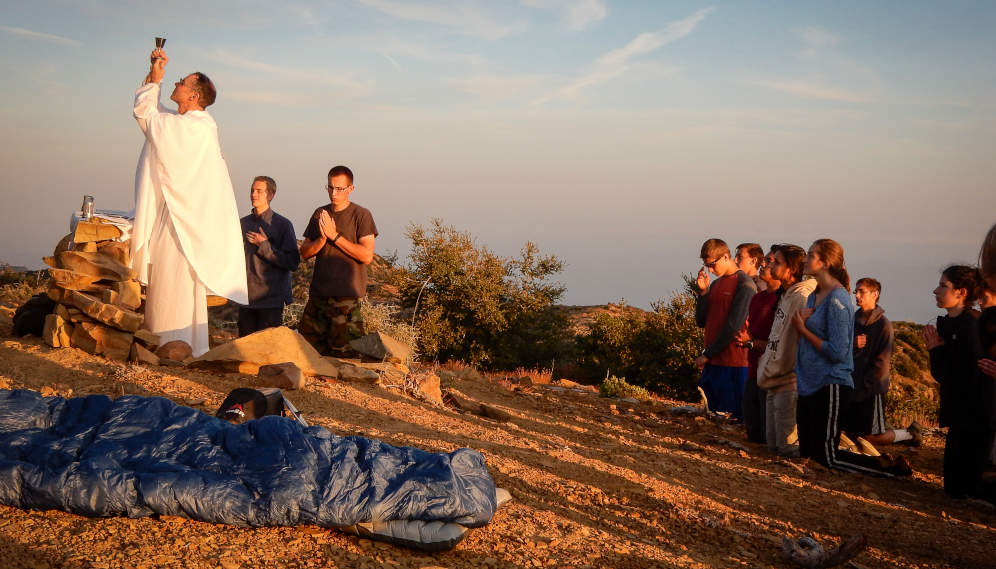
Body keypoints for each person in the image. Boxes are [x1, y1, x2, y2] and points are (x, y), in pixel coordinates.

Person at [130, 48, 248, 356]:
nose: (177, 83)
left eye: (182, 81)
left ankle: (171, 347)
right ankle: (179, 346)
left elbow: (146, 115)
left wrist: (156, 80)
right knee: (171, 284)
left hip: (182, 224)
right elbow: (155, 118)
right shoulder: (189, 125)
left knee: (173, 284)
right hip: (179, 217)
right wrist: (154, 76)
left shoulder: (196, 128)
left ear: (194, 95)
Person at [792, 239, 911, 476]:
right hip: (808, 384)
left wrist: (803, 328)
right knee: (807, 453)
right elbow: (803, 342)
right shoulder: (813, 295)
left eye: (811, 255)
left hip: (830, 384)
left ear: (825, 262)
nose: (805, 259)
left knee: (826, 456)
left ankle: (887, 469)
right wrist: (800, 327)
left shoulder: (838, 300)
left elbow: (837, 353)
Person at [922, 265, 994, 502]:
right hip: (962, 418)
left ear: (961, 292)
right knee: (952, 488)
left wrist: (935, 350)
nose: (936, 290)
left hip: (975, 419)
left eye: (944, 286)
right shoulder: (955, 324)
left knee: (967, 487)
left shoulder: (968, 327)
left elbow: (961, 380)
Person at [298, 166, 378, 357]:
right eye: (330, 187)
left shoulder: (361, 214)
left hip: (346, 296)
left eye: (339, 188)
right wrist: (322, 239)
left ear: (351, 188)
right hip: (318, 294)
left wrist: (334, 237)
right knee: (308, 351)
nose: (334, 193)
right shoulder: (320, 213)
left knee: (347, 355)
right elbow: (305, 252)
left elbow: (366, 255)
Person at [843, 278, 923, 448]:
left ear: (875, 294)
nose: (857, 295)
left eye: (861, 291)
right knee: (850, 434)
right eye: (856, 291)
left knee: (868, 439)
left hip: (870, 391)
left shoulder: (883, 325)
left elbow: (881, 364)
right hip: (850, 385)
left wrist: (863, 388)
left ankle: (908, 434)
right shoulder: (852, 320)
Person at [757, 244, 815, 457]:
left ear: (791, 269)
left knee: (788, 448)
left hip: (788, 379)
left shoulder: (801, 296)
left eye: (777, 262)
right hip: (774, 375)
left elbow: (800, 339)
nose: (770, 265)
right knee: (773, 445)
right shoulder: (787, 294)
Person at [694, 239, 757, 421]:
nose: (710, 270)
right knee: (712, 414)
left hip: (733, 363)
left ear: (725, 257)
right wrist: (703, 293)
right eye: (707, 266)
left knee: (734, 417)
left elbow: (734, 325)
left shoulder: (744, 285)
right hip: (713, 361)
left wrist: (707, 354)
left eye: (712, 265)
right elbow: (701, 321)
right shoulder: (716, 284)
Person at [238, 176, 301, 337]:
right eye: (252, 190)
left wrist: (264, 245)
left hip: (270, 301)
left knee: (267, 354)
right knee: (244, 354)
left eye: (259, 191)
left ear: (271, 195)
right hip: (245, 300)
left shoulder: (282, 225)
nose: (254, 194)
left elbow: (292, 262)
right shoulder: (241, 224)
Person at [735, 247, 781, 443]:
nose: (764, 264)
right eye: (766, 261)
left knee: (768, 433)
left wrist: (751, 342)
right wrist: (746, 337)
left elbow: (778, 343)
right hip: (753, 371)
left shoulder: (783, 301)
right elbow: (754, 329)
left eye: (771, 262)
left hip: (772, 375)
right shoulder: (758, 298)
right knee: (753, 429)